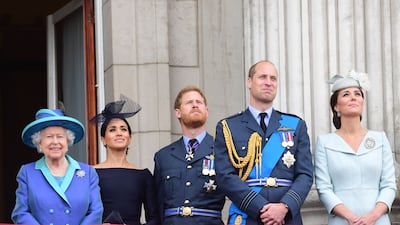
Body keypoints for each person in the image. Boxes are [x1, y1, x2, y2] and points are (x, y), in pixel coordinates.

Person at [214, 60, 314, 225]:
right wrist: (261, 207)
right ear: (249, 82)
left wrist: (284, 207)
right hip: (249, 216)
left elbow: (305, 175)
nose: (268, 82)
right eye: (262, 77)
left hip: (286, 218)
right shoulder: (229, 127)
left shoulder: (295, 125)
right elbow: (225, 176)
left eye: (273, 78)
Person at [314, 70, 397, 225]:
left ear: (362, 102)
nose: (353, 97)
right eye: (346, 94)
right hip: (342, 221)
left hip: (378, 221)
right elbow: (324, 188)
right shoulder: (324, 142)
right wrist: (351, 218)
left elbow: (389, 184)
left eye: (357, 94)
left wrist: (372, 217)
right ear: (336, 106)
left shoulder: (380, 138)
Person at [12, 108, 103, 224]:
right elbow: (20, 213)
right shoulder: (27, 173)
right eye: (49, 136)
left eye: (60, 136)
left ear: (68, 141)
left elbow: (96, 212)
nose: (55, 142)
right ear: (39, 142)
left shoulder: (88, 172)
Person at [153, 86, 226, 225]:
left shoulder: (222, 151)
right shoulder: (164, 156)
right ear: (178, 112)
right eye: (189, 102)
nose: (195, 105)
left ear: (207, 111)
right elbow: (158, 206)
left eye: (199, 102)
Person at [90, 95, 160, 225]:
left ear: (130, 137)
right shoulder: (91, 173)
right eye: (112, 130)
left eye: (123, 129)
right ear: (103, 139)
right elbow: (83, 213)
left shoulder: (143, 175)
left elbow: (155, 218)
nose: (119, 133)